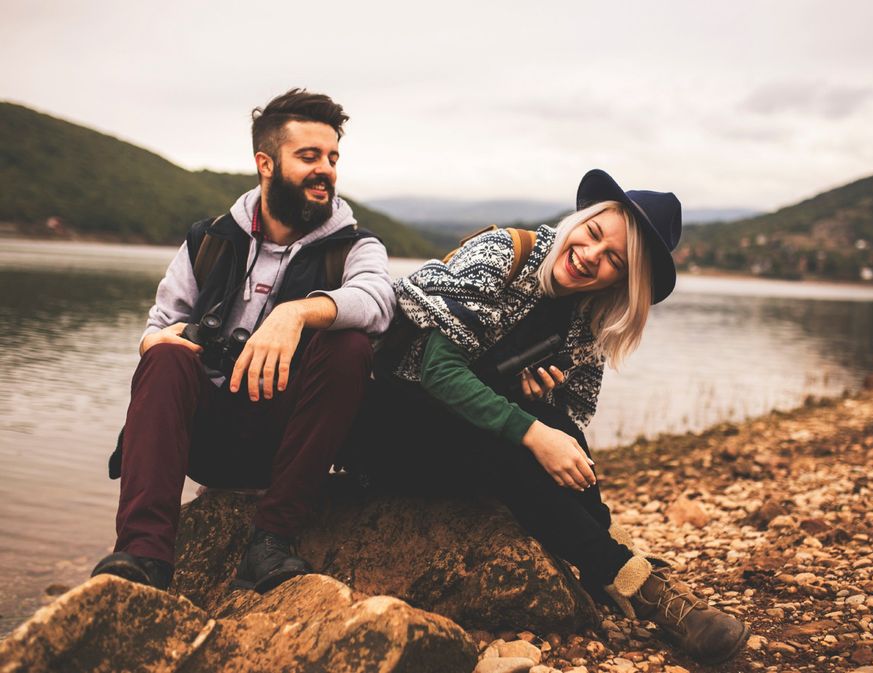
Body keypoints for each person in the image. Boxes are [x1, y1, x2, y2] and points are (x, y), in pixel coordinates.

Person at [346, 169, 748, 664]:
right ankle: (644, 591)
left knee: (560, 431)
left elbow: (568, 421)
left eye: (613, 261)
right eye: (594, 234)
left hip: (451, 440)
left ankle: (619, 569)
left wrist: (536, 405)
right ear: (581, 219)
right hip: (383, 425)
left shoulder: (587, 320)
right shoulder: (503, 253)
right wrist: (530, 428)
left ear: (623, 280)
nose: (589, 256)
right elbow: (437, 371)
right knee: (519, 442)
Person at [91, 89, 395, 594]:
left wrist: (296, 313)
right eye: (309, 156)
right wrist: (160, 344)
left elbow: (379, 302)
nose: (326, 170)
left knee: (350, 346)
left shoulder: (357, 246)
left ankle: (270, 542)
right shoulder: (209, 239)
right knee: (165, 358)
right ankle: (143, 557)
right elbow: (157, 325)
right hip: (204, 438)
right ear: (266, 163)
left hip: (290, 443)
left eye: (333, 158)